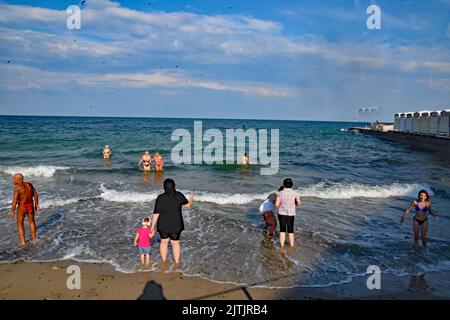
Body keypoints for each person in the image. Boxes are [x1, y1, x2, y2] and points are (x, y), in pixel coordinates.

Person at [150, 179, 194, 265]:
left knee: (164, 242)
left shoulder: (160, 197)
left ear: (164, 187)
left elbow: (156, 213)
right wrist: (191, 199)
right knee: (175, 243)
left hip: (163, 224)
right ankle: (177, 262)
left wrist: (152, 227)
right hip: (176, 224)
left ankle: (163, 261)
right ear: (174, 186)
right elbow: (187, 205)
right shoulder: (179, 195)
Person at [9, 173, 40, 247]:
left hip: (22, 207)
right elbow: (35, 194)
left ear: (18, 179)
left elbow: (15, 201)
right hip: (31, 206)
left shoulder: (17, 188)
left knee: (20, 224)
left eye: (14, 179)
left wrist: (12, 211)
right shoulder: (29, 184)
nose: (12, 180)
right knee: (32, 222)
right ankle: (34, 238)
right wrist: (37, 204)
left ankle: (23, 242)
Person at [275, 178, 301, 249]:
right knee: (290, 230)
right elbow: (298, 203)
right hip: (291, 213)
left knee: (282, 230)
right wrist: (295, 203)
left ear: (283, 185)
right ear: (292, 185)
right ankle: (292, 246)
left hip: (282, 213)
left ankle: (282, 246)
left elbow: (277, 204)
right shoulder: (295, 193)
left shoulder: (280, 193)